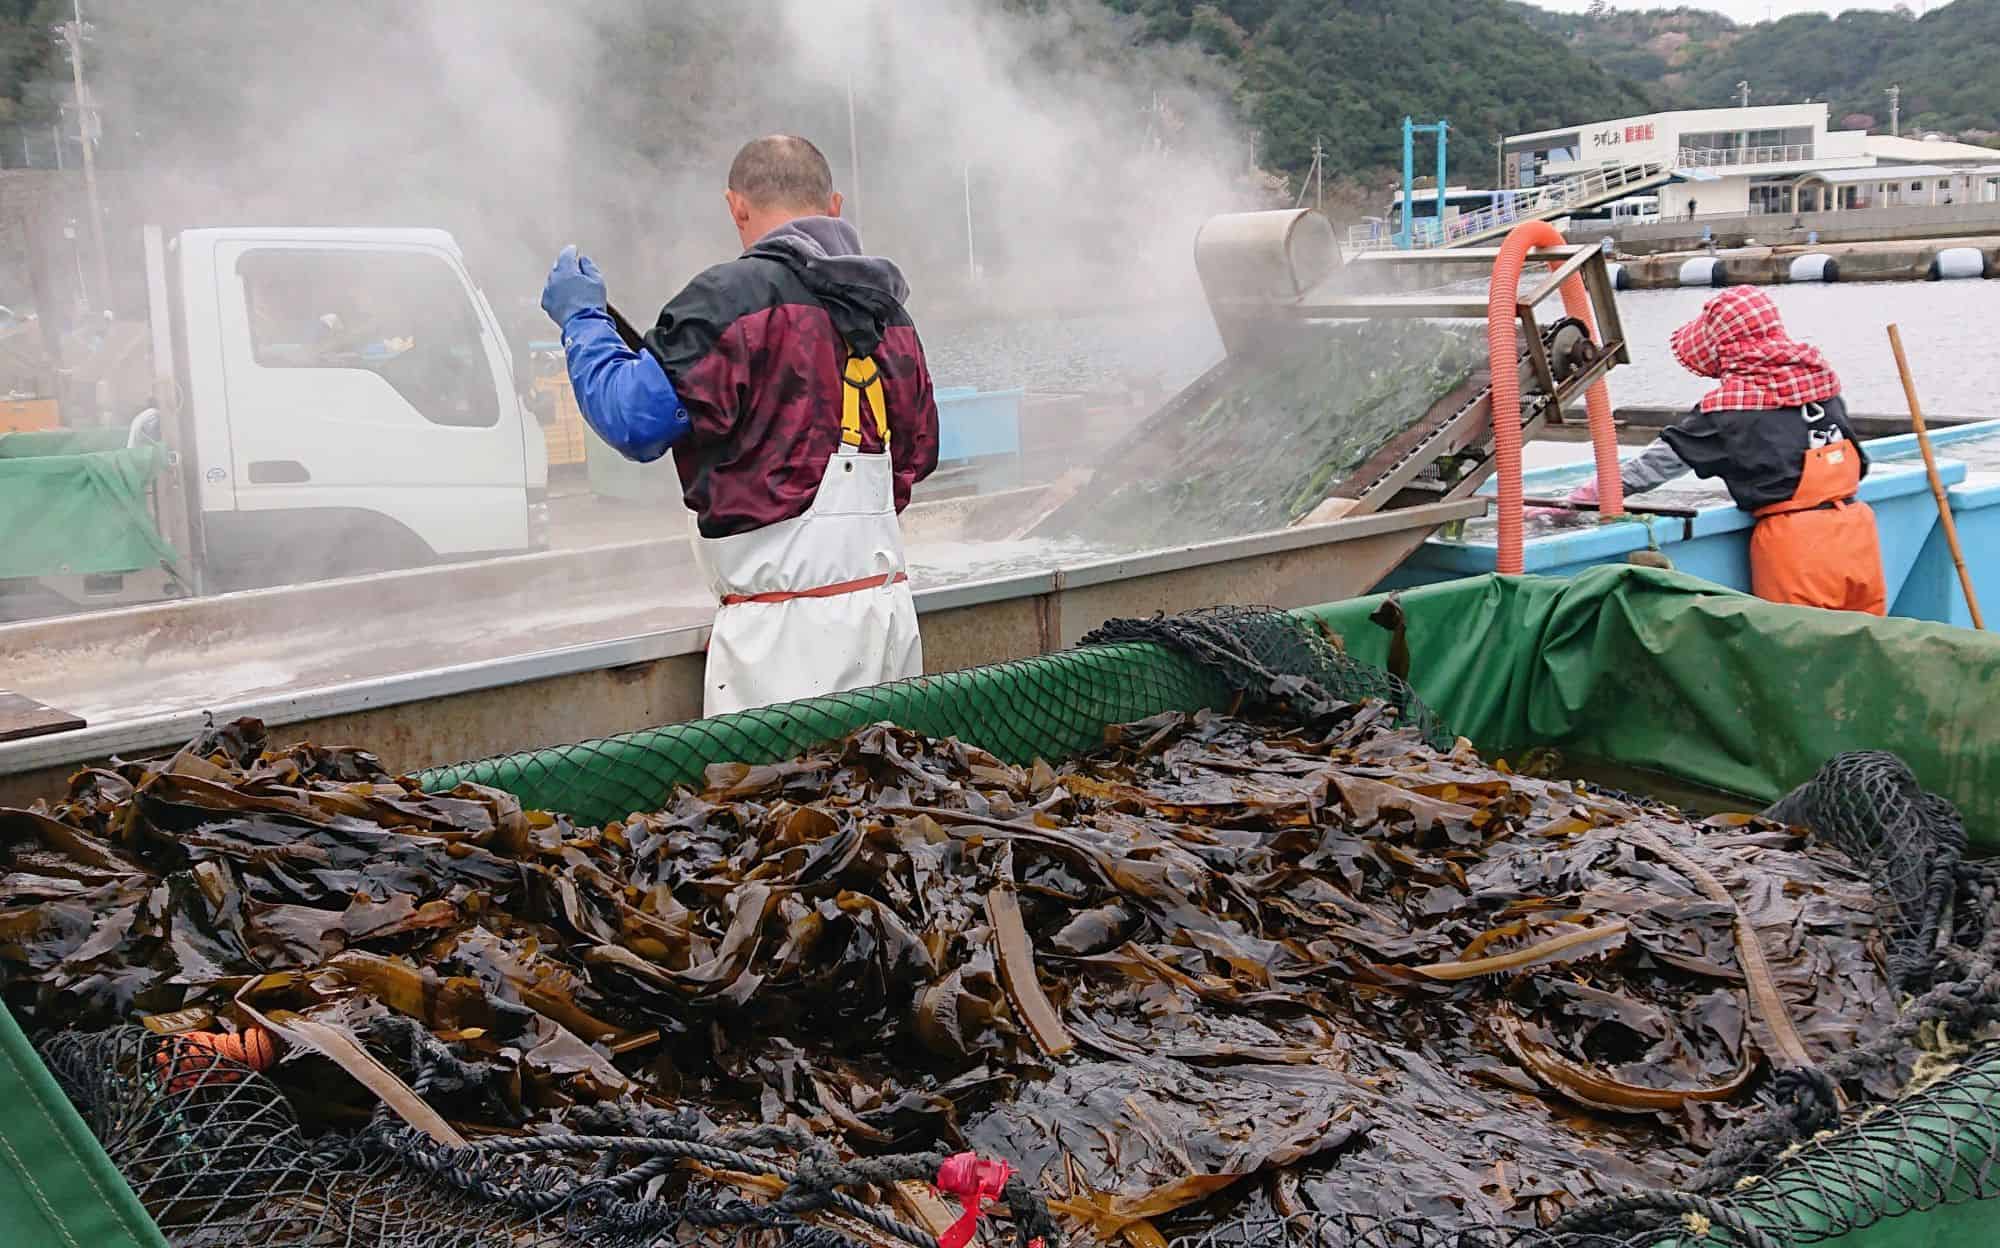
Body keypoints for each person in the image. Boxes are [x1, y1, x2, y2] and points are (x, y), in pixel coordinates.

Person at [540, 135, 939, 716]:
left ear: (737, 207)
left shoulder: (729, 302)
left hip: (777, 643)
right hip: (889, 621)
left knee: (773, 801)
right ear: (835, 206)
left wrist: (583, 321)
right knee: (887, 795)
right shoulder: (891, 316)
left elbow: (633, 420)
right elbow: (918, 454)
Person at [1568, 285, 1886, 614]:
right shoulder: (1821, 384)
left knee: (1796, 655)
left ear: (1723, 347)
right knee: (1867, 647)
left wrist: (1577, 501)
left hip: (1798, 545)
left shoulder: (1727, 411)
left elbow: (1650, 469)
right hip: (1857, 530)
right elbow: (1859, 463)